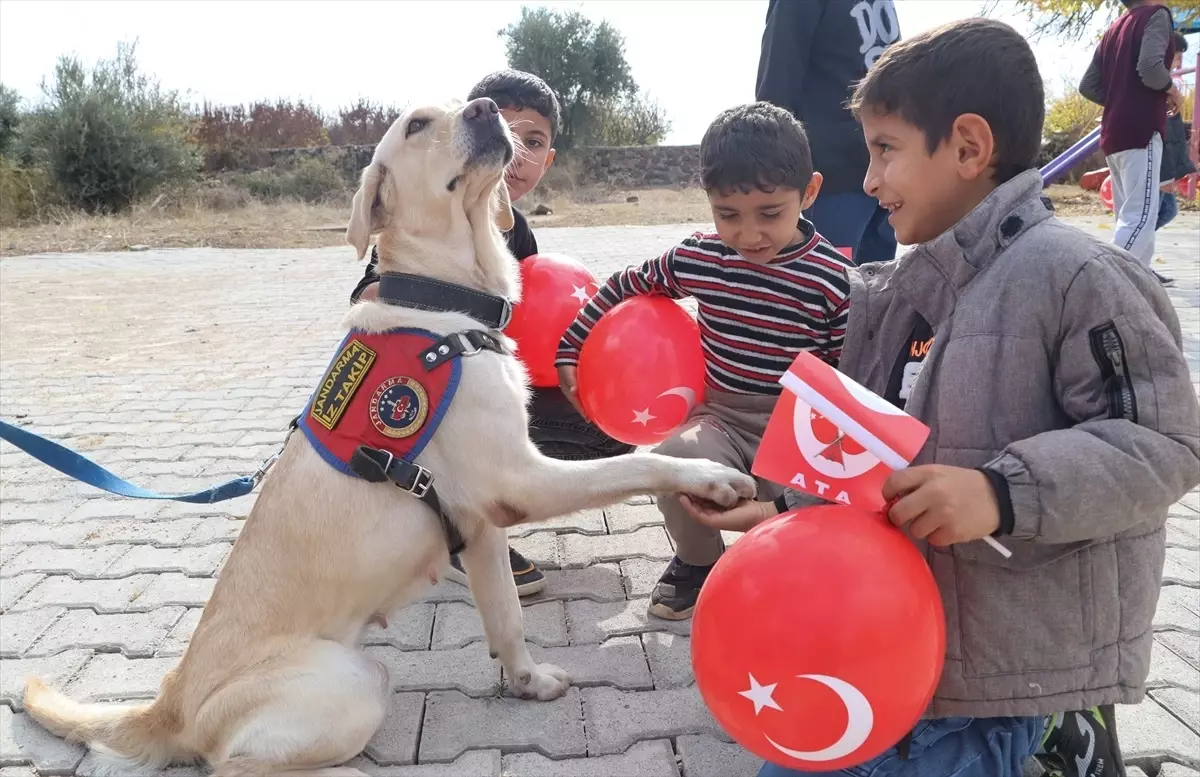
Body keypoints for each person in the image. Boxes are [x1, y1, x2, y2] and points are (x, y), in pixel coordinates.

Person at [681, 18, 1200, 777]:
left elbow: (1163, 443)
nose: (868, 180)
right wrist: (775, 506)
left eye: (885, 149)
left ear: (966, 146)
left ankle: (1061, 737)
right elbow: (861, 456)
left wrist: (1000, 491)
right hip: (887, 649)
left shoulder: (1079, 276)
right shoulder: (901, 295)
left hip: (999, 678)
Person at [554, 102, 856, 621]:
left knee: (808, 526)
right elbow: (630, 281)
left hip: (801, 425)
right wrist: (571, 345)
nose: (748, 235)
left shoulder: (833, 280)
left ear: (808, 193)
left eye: (770, 213)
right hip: (721, 416)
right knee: (674, 463)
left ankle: (786, 562)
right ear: (710, 202)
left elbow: (849, 379)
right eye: (728, 215)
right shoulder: (701, 257)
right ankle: (698, 564)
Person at [349, 69, 634, 598]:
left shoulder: (516, 230)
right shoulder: (437, 207)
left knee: (607, 433)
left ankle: (483, 507)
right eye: (507, 130)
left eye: (535, 142)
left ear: (548, 160)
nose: (520, 151)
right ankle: (451, 528)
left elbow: (541, 318)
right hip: (425, 398)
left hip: (484, 384)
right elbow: (371, 293)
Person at [755, 0, 900, 265]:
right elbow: (778, 82)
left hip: (886, 170)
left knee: (879, 295)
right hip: (831, 178)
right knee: (827, 291)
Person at [1079, 0, 1180, 285]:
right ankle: (1095, 286)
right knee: (1139, 218)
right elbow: (1150, 68)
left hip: (1114, 132)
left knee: (1130, 217)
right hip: (1141, 128)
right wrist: (1172, 90)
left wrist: (1120, 101)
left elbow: (1088, 85)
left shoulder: (1114, 28)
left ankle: (1140, 286)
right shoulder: (1156, 15)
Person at [1155, 31, 1197, 242]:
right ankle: (1129, 258)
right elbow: (1161, 135)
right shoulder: (1158, 87)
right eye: (1176, 53)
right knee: (1152, 215)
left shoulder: (1169, 87)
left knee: (1167, 211)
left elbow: (1174, 135)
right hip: (1158, 166)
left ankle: (1136, 259)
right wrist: (1164, 176)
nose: (1179, 59)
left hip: (1166, 164)